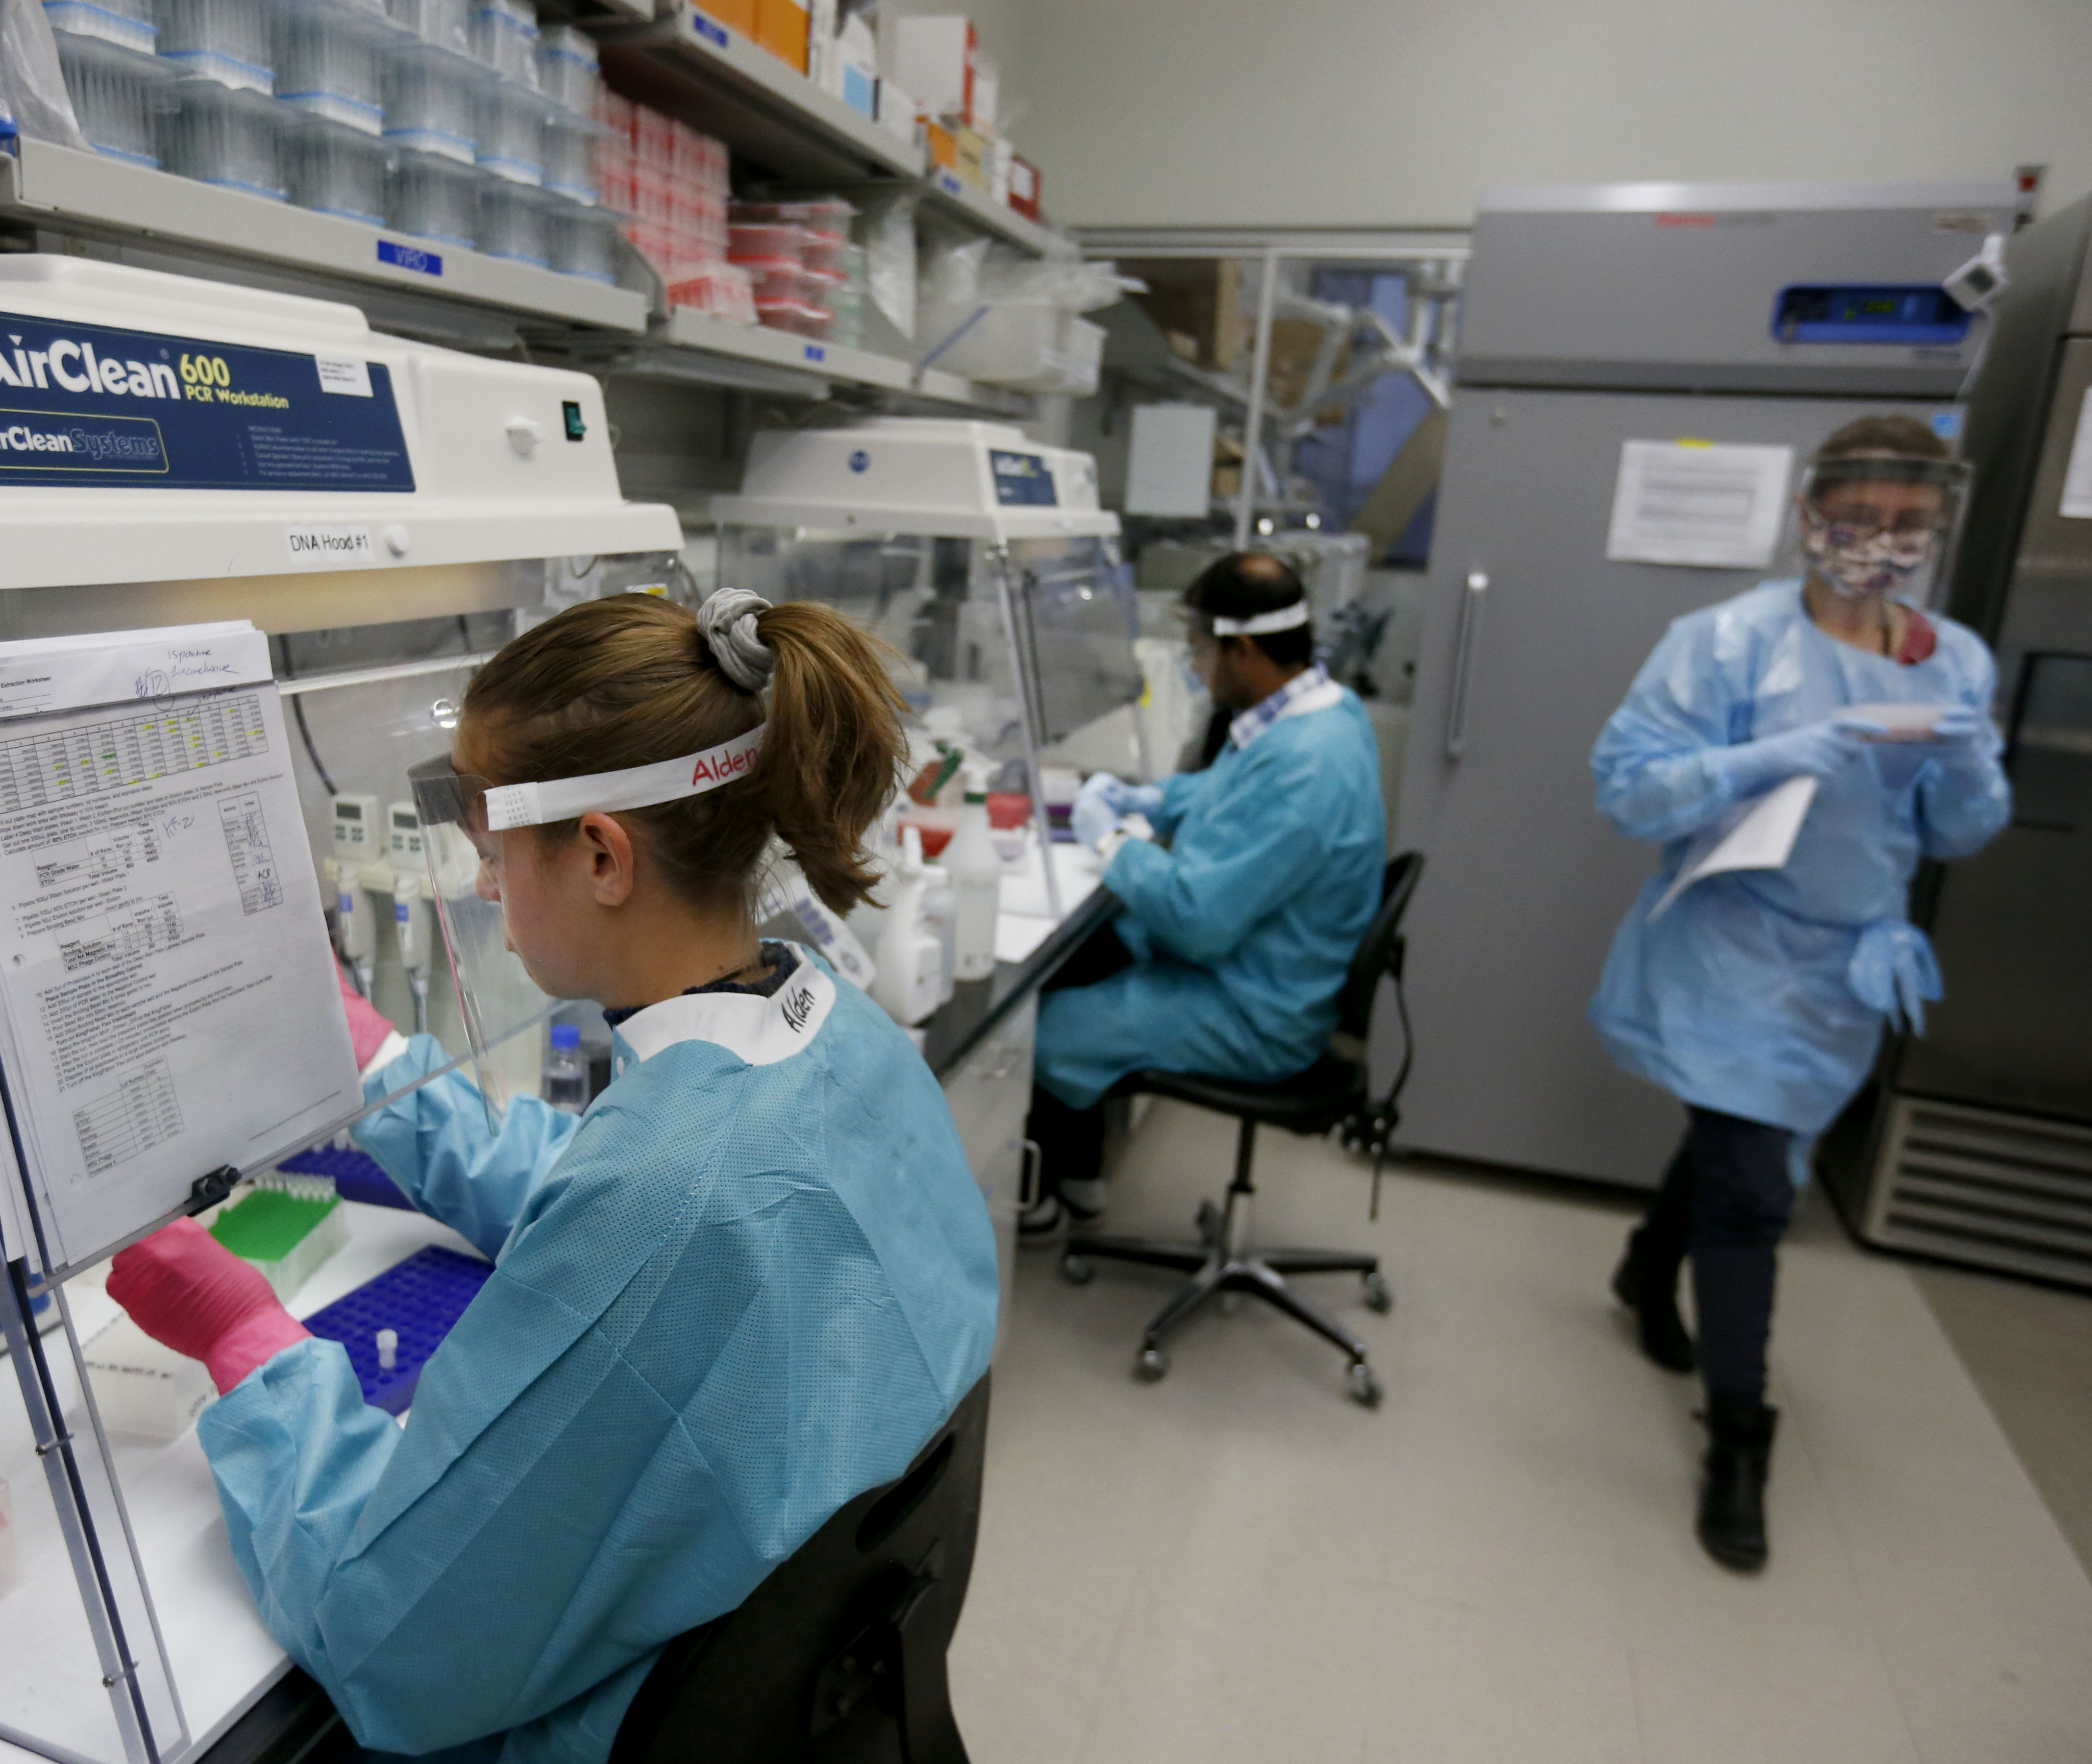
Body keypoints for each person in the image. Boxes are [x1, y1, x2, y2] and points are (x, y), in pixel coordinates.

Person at [107, 590, 997, 1761]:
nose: (484, 889)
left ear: (598, 854)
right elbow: (603, 1189)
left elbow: (386, 1645)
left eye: (492, 852)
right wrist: (374, 1062)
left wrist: (246, 1344)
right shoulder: (832, 1028)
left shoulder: (667, 1202)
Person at [1589, 415, 2011, 1573]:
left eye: (1909, 525)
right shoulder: (1723, 643)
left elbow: (1961, 833)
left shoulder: (1956, 661)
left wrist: (1970, 764)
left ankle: (1640, 1268)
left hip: (1845, 967)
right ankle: (1738, 1442)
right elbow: (1626, 793)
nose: (1879, 543)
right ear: (1805, 515)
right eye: (1856, 518)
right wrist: (1760, 757)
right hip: (1729, 950)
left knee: (1743, 1142)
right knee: (1752, 1195)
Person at [1018, 552, 1388, 1233]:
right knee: (1089, 954)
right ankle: (1079, 1176)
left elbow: (1195, 919)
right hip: (1262, 967)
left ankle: (1033, 1204)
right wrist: (1152, 798)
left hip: (1256, 1009)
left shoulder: (1310, 764)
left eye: (1196, 649)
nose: (1193, 665)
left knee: (1035, 1034)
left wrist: (1112, 844)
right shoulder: (1318, 712)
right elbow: (1228, 788)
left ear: (1241, 650)